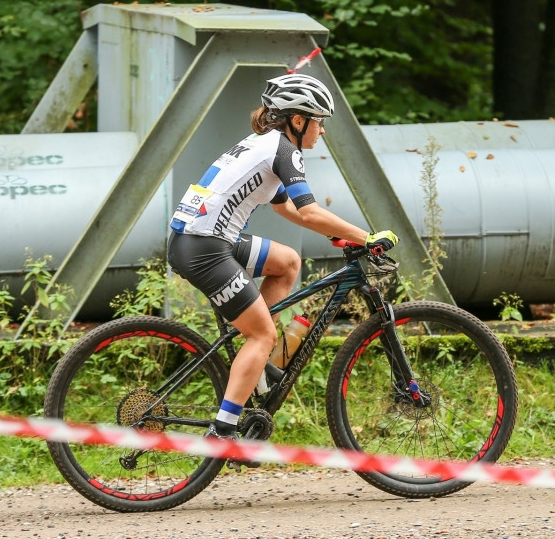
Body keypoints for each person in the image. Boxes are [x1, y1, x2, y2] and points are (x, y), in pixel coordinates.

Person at [167, 73, 398, 444]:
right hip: (205, 248)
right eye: (319, 122)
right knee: (261, 334)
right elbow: (308, 212)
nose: (322, 131)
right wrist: (367, 237)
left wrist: (337, 233)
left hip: (203, 240)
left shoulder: (266, 144)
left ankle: (259, 364)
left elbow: (286, 208)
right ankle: (223, 430)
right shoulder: (284, 150)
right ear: (298, 120)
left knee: (287, 262)